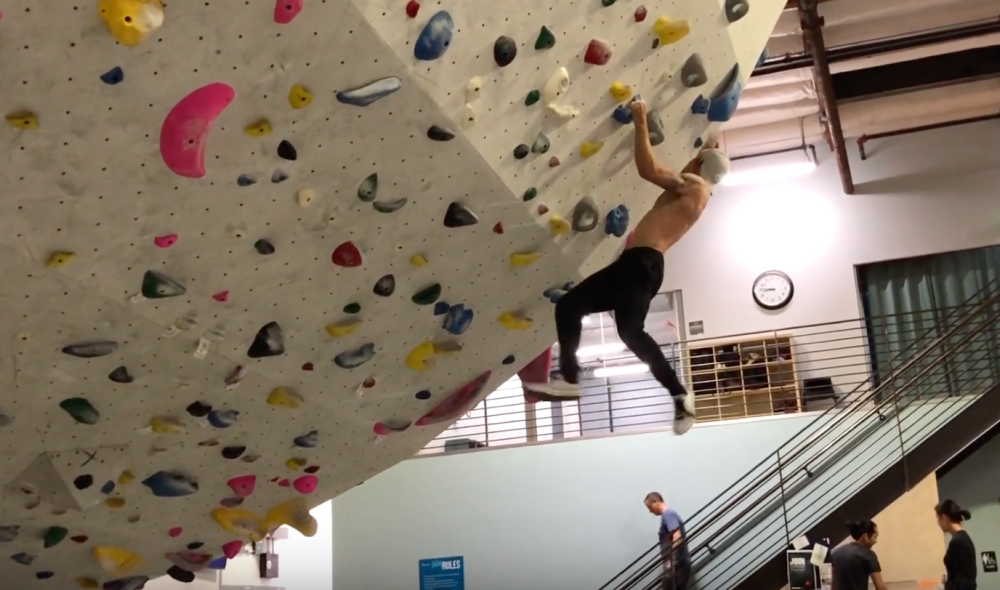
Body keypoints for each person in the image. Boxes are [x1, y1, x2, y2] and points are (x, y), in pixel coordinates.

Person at [522, 98, 730, 435]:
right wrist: (709, 140)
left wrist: (640, 119)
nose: (689, 160)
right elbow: (707, 155)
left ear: (701, 164)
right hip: (634, 264)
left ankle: (680, 395)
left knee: (630, 331)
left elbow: (647, 169)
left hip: (641, 265)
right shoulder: (700, 193)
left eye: (695, 158)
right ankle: (570, 379)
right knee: (570, 307)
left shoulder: (695, 187)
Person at [644, 492, 691, 590]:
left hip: (677, 565)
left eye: (649, 507)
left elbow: (677, 537)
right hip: (677, 565)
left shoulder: (668, 514)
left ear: (656, 502)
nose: (650, 511)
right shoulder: (667, 515)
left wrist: (671, 561)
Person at [829, 519, 888, 590]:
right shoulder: (868, 555)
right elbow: (880, 587)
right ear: (865, 536)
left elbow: (833, 584)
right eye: (875, 537)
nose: (875, 541)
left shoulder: (836, 553)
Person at [936, 499, 977, 590]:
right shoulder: (961, 539)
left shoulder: (958, 542)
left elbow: (964, 581)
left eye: (938, 518)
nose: (937, 522)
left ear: (945, 518)